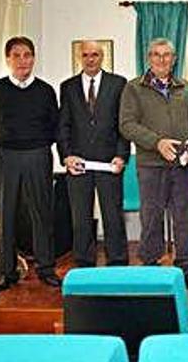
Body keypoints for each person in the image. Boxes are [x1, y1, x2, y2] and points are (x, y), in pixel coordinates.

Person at [119, 38, 188, 287]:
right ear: (149, 58)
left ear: (174, 59)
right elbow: (127, 124)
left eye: (167, 55)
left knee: (184, 216)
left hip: (183, 164)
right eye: (156, 55)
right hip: (150, 164)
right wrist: (157, 142)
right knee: (152, 215)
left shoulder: (186, 88)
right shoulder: (133, 88)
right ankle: (150, 263)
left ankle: (185, 265)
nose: (161, 59)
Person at [0, 36, 61, 290]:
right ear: (8, 59)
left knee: (42, 213)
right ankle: (7, 272)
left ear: (33, 58)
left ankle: (46, 268)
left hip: (38, 155)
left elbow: (55, 126)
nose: (22, 60)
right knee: (5, 214)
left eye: (27, 55)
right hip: (5, 157)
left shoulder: (45, 90)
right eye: (16, 55)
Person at [58, 40, 130, 268]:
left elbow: (123, 125)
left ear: (102, 57)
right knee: (80, 218)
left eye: (95, 55)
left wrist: (122, 155)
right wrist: (66, 155)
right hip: (78, 164)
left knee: (113, 216)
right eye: (86, 55)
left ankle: (117, 262)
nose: (90, 59)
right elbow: (63, 125)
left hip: (110, 162)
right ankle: (83, 263)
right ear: (81, 57)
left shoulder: (118, 84)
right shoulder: (67, 86)